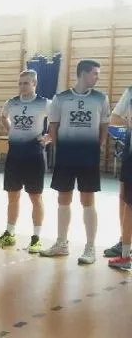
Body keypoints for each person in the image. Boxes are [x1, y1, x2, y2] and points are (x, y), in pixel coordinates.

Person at [39, 60, 109, 264]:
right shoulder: (60, 98)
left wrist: (97, 146)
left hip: (89, 157)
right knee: (63, 199)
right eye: (94, 73)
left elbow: (104, 126)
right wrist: (59, 148)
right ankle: (61, 243)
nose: (97, 77)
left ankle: (90, 247)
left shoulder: (101, 98)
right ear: (83, 74)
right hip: (66, 157)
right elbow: (53, 126)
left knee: (87, 200)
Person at [0, 70, 51, 252]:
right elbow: (2, 117)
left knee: (35, 197)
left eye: (26, 83)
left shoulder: (44, 103)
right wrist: (12, 131)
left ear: (34, 84)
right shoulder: (12, 102)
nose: (22, 86)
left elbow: (58, 120)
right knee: (12, 196)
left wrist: (48, 137)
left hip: (34, 155)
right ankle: (9, 233)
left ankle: (36, 238)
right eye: (20, 83)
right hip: (14, 155)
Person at [107, 84, 132, 269]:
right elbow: (114, 118)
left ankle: (125, 255)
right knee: (125, 200)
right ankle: (124, 244)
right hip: (130, 153)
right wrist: (128, 123)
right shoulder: (130, 91)